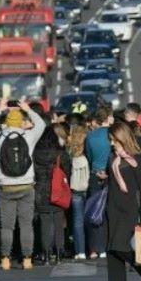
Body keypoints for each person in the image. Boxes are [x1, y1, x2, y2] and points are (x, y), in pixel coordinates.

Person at [0, 99, 46, 271]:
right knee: (26, 224)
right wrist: (28, 109)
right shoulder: (29, 136)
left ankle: (5, 259)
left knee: (7, 226)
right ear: (20, 122)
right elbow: (41, 123)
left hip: (5, 186)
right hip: (26, 185)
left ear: (7, 122)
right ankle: (27, 259)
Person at [104, 122, 141, 281]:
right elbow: (111, 182)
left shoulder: (138, 158)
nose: (111, 143)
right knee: (111, 248)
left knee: (120, 245)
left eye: (113, 139)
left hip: (130, 208)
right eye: (110, 140)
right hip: (112, 207)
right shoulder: (111, 157)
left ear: (122, 137)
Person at [32, 124, 71, 265]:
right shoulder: (60, 154)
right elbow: (67, 172)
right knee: (58, 222)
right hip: (57, 191)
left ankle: (46, 254)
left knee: (45, 223)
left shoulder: (35, 153)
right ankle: (60, 252)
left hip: (40, 191)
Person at [84, 107, 114, 259]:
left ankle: (95, 248)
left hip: (94, 174)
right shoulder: (113, 134)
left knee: (95, 211)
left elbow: (89, 157)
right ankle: (109, 245)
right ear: (108, 118)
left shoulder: (90, 137)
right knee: (110, 211)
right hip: (112, 175)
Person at [67, 125, 90, 259]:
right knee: (92, 218)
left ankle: (80, 251)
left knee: (77, 220)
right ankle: (92, 248)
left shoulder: (70, 152)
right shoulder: (87, 151)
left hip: (75, 189)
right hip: (87, 188)